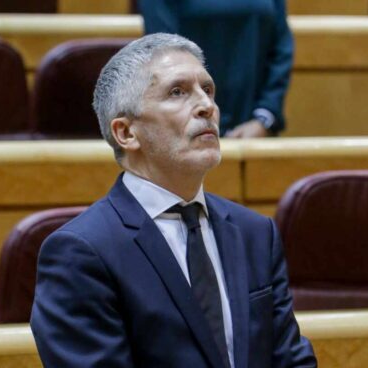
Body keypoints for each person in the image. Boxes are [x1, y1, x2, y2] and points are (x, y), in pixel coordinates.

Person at [30, 33, 315, 367]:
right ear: (126, 133)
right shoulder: (80, 253)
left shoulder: (256, 233)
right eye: (177, 92)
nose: (207, 106)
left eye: (207, 90)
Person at [138, 0, 294, 138]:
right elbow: (164, 52)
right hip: (184, 130)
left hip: (254, 130)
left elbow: (281, 47)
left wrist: (264, 119)